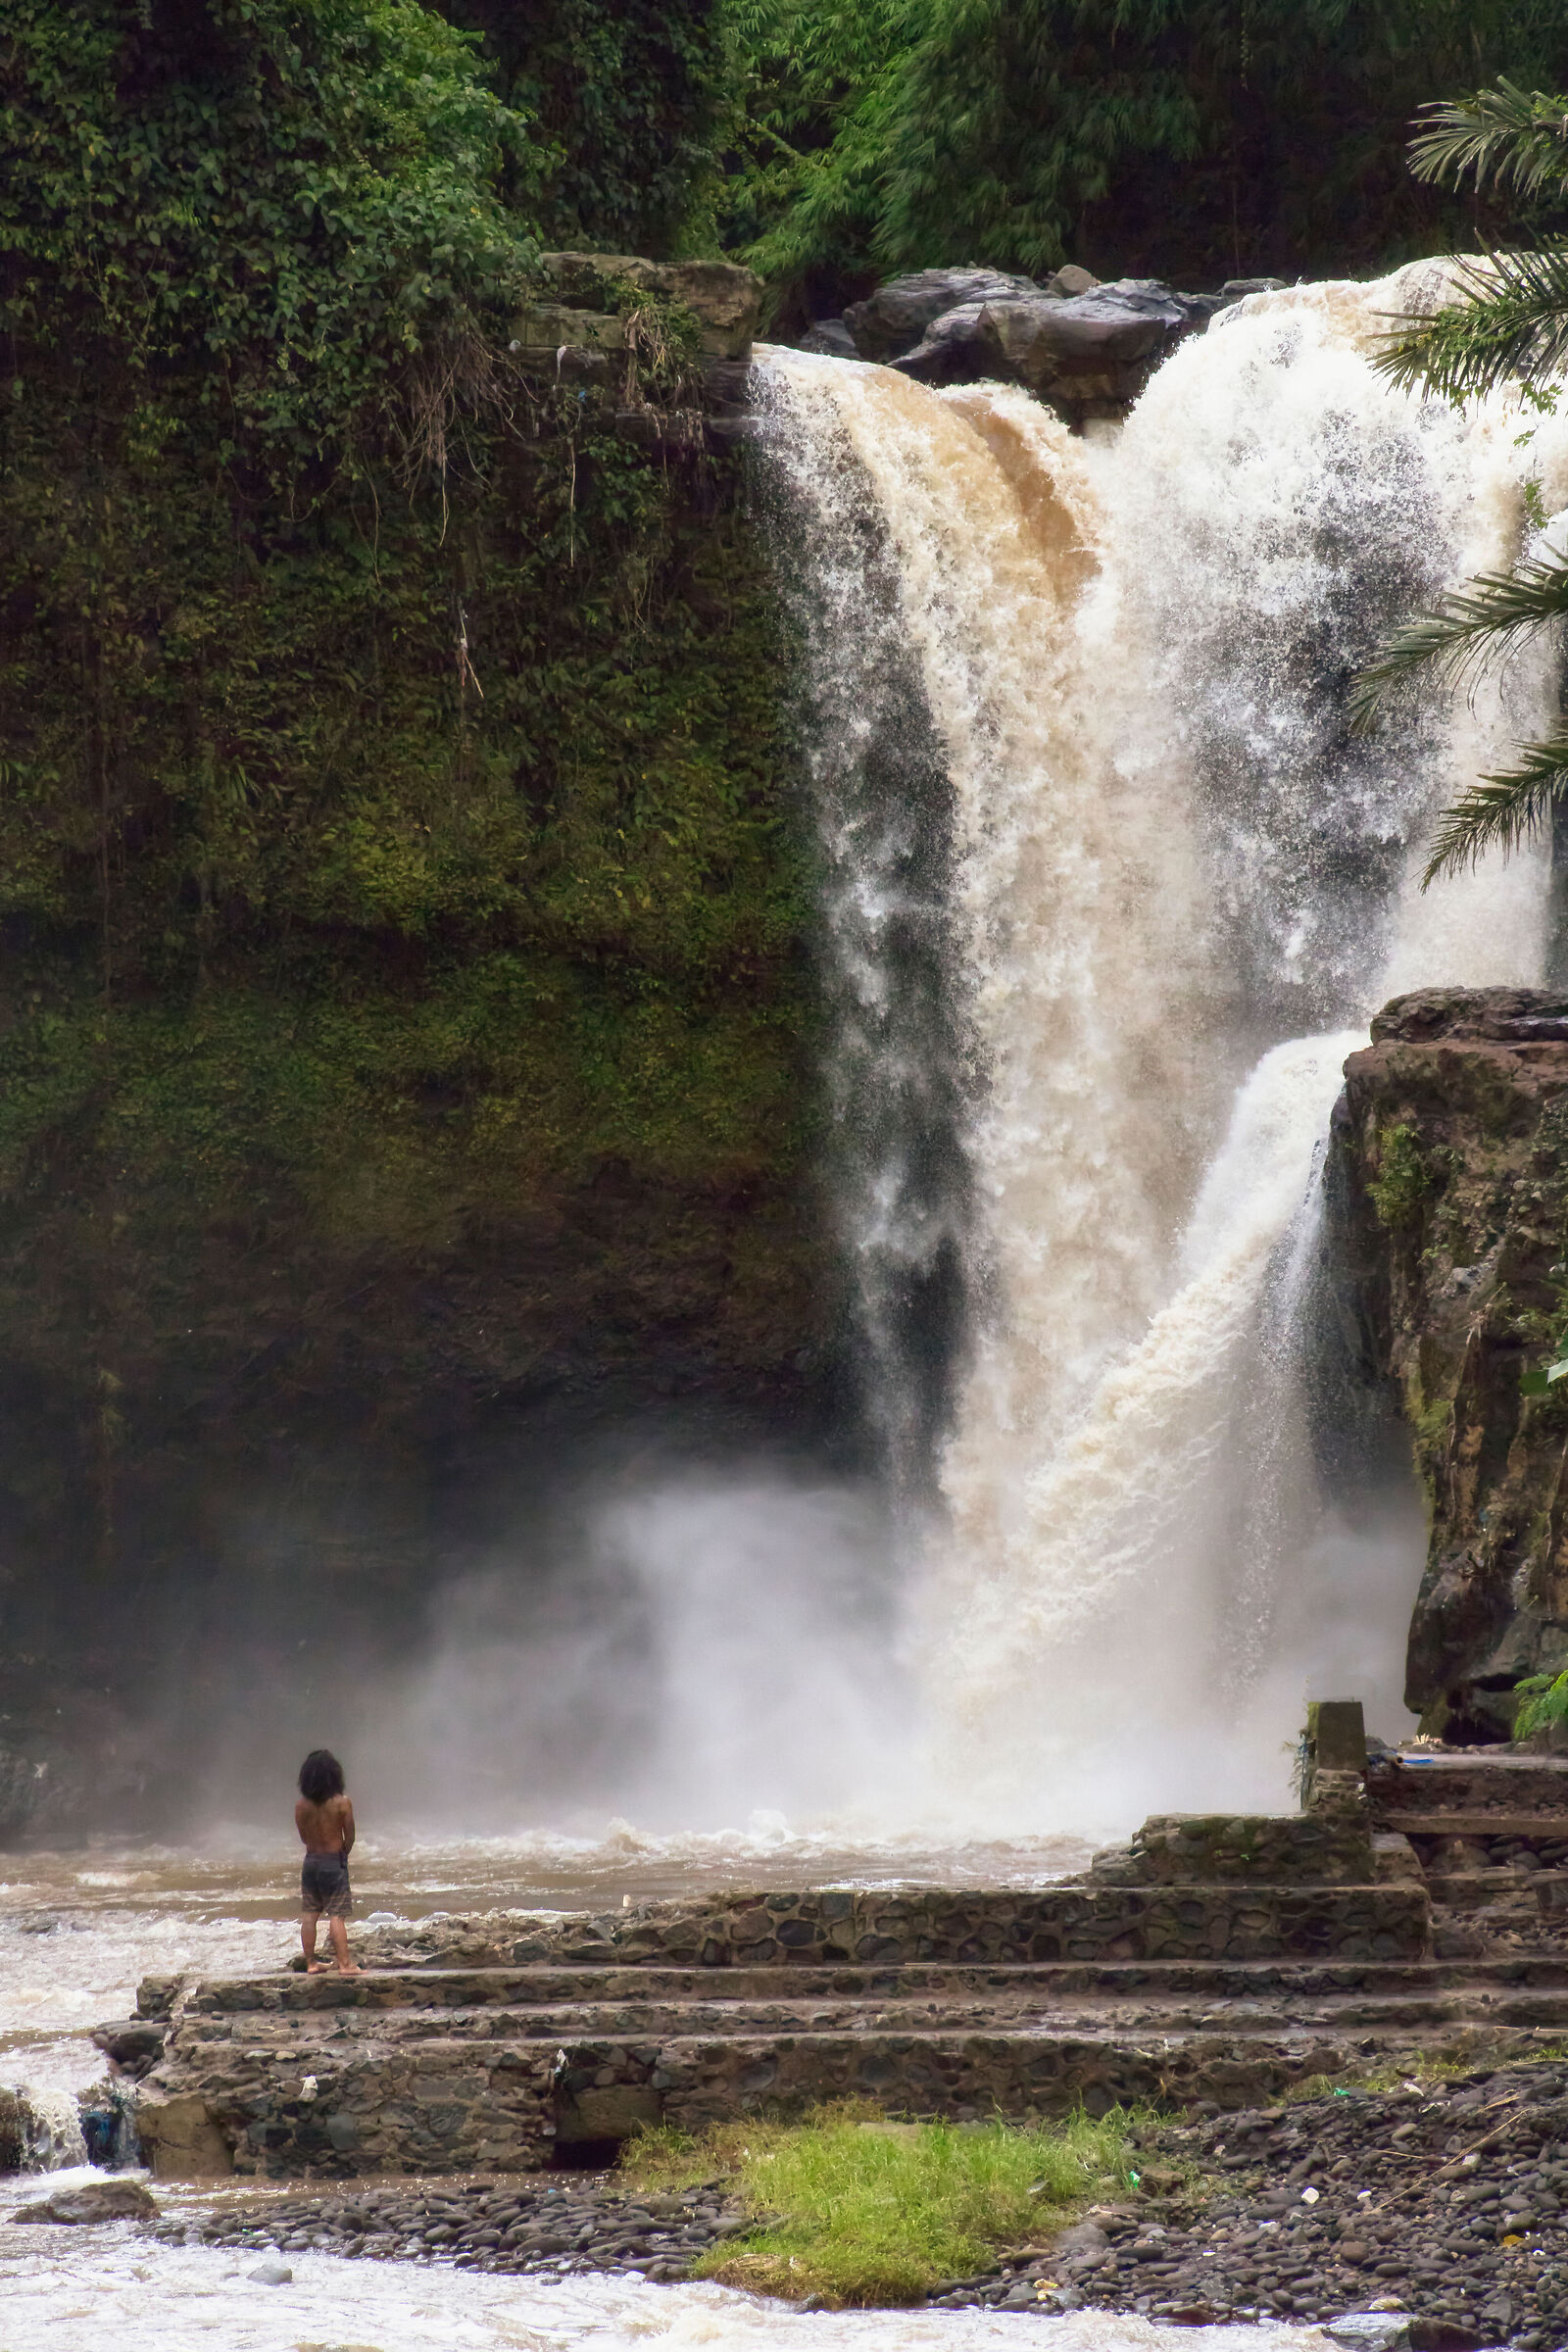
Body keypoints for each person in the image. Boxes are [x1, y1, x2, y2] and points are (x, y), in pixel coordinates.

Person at [295, 1747, 359, 1975]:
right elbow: (349, 1835)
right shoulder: (342, 1803)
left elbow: (303, 1837)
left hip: (311, 1862)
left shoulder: (301, 1806)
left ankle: (311, 1963)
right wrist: (344, 1854)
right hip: (334, 1861)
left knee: (310, 1914)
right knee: (337, 1915)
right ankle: (345, 1964)